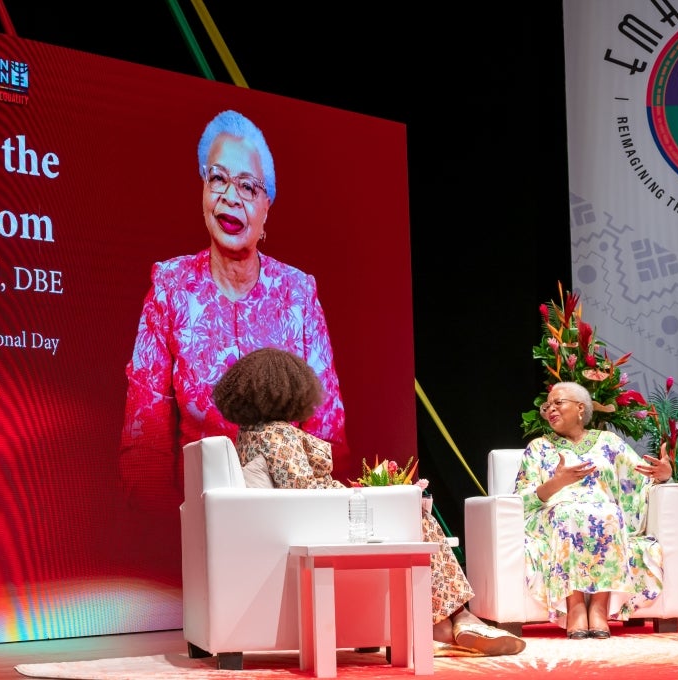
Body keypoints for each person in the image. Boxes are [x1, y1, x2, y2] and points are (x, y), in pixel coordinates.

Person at [212, 347, 525, 656]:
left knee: (409, 512)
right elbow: (303, 489)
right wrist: (360, 495)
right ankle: (458, 618)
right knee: (416, 519)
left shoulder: (249, 434)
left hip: (299, 518)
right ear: (290, 390)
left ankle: (448, 622)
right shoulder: (279, 435)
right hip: (314, 521)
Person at [119, 109, 347, 517]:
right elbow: (145, 443)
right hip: (196, 524)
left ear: (265, 209)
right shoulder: (170, 288)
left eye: (247, 186)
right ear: (203, 190)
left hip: (292, 520)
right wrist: (178, 541)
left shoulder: (298, 292)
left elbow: (327, 435)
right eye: (217, 179)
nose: (229, 196)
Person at [514, 381, 673, 639]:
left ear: (580, 408)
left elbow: (640, 481)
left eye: (558, 403)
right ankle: (575, 606)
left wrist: (663, 476)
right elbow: (522, 498)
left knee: (610, 513)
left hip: (602, 512)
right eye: (547, 406)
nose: (550, 409)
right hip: (553, 514)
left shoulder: (609, 442)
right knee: (568, 513)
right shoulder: (539, 447)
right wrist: (557, 483)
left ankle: (599, 607)